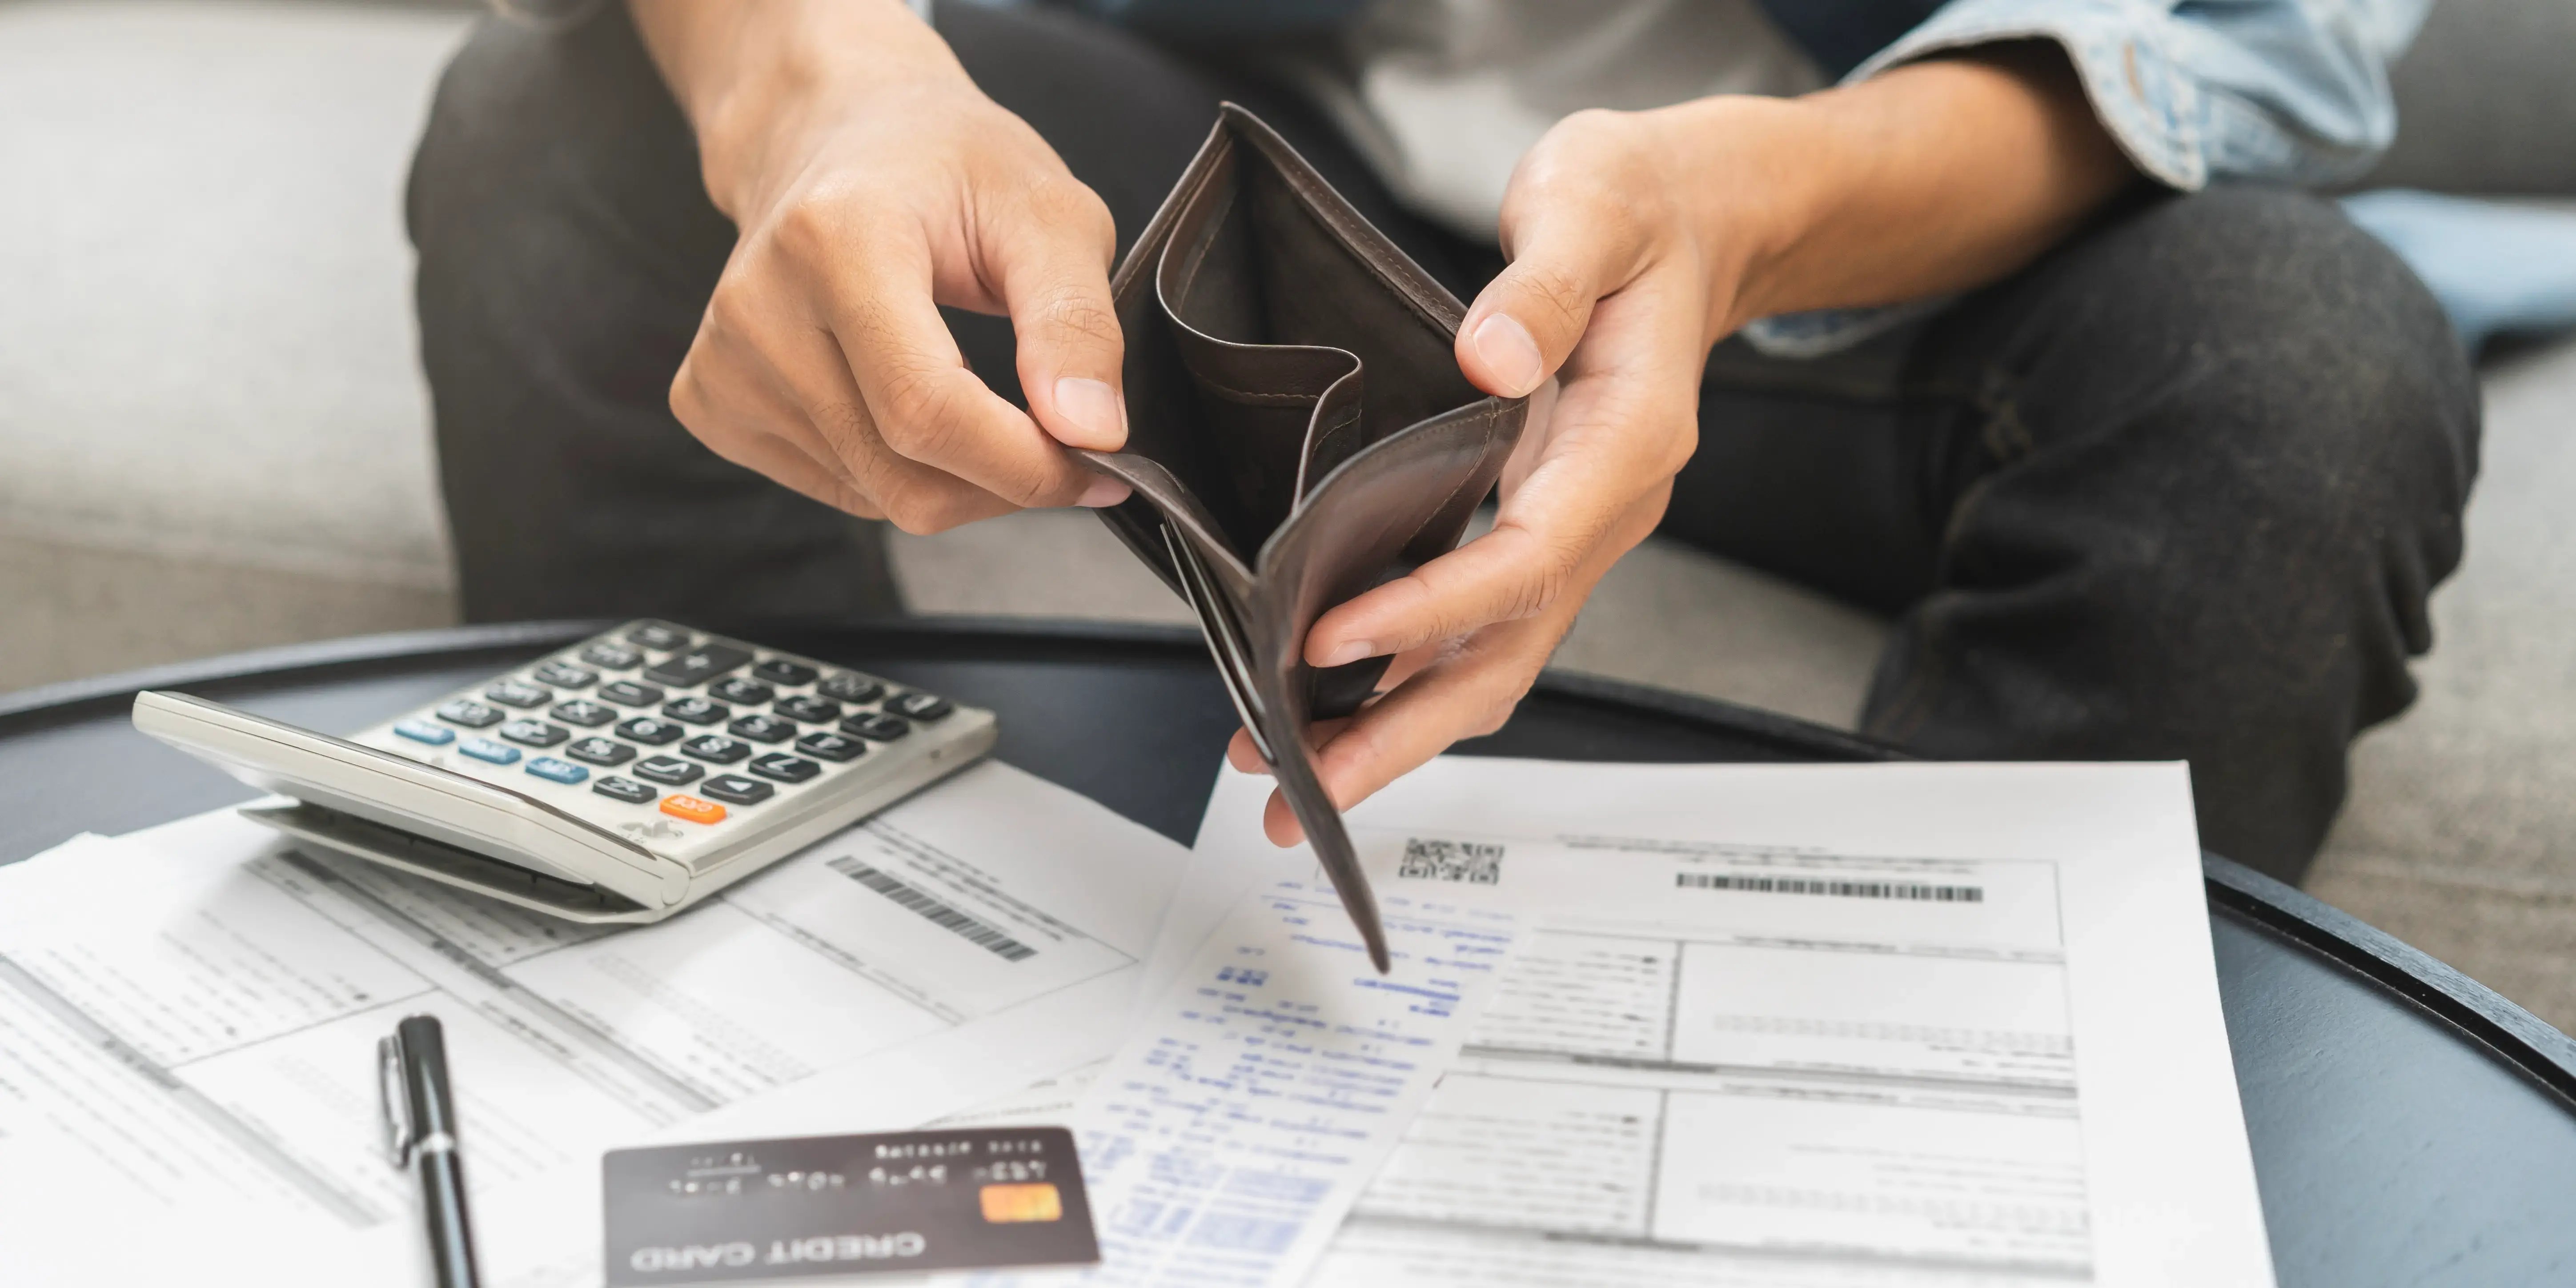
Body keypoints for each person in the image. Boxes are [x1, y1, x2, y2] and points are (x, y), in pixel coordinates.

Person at [409, 0, 2477, 883]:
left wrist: (1748, 211)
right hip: (1286, 164)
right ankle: (778, 994)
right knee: (569, 133)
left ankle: (1932, 1175)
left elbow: (2248, 39)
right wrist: (820, 102)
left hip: (1874, 221)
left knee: (2290, 372)